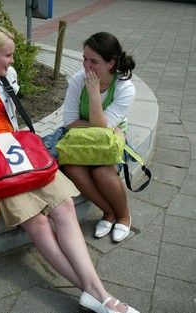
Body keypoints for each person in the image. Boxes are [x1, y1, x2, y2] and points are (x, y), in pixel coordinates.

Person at [0, 25, 139, 313]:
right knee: (37, 222)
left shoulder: (7, 76)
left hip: (17, 149)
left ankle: (96, 292)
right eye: (8, 55)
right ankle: (98, 295)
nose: (12, 61)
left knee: (64, 205)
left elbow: (14, 119)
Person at [60, 32, 136, 243]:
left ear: (111, 63)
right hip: (81, 138)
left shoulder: (124, 87)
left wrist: (94, 93)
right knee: (72, 167)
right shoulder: (77, 80)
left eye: (94, 61)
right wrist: (102, 127)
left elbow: (103, 129)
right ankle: (108, 212)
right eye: (84, 58)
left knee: (102, 171)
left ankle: (123, 215)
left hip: (109, 143)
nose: (86, 65)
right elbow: (69, 122)